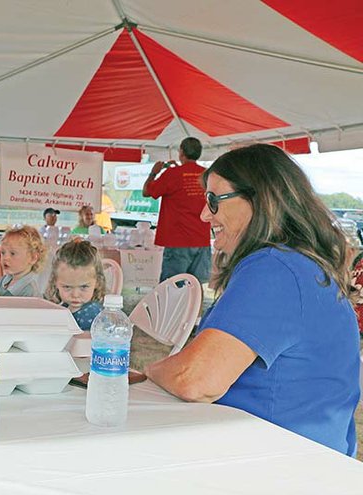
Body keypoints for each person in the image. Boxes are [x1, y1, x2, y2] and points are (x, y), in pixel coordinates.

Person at [145, 143, 360, 456]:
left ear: (259, 201)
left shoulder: (275, 268)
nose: (205, 213)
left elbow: (195, 379)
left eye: (213, 200)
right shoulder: (297, 264)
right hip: (296, 455)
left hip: (275, 463)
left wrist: (151, 370)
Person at [142, 137, 211, 282]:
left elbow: (147, 192)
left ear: (181, 152)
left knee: (172, 287)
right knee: (196, 289)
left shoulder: (172, 174)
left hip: (178, 240)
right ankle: (196, 307)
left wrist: (154, 173)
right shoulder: (207, 175)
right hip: (201, 239)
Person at [44, 240, 106, 330]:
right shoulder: (63, 307)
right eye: (67, 287)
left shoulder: (93, 314)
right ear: (55, 282)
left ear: (97, 283)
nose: (75, 295)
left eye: (84, 287)